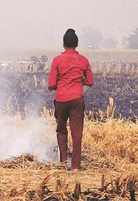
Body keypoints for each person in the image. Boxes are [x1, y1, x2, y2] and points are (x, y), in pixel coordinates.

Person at [48, 28, 94, 171]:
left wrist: (59, 86)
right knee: (77, 133)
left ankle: (63, 162)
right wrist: (80, 82)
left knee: (61, 129)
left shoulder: (57, 60)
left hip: (61, 99)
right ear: (76, 44)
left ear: (63, 44)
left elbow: (51, 84)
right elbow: (90, 81)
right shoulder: (83, 60)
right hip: (77, 100)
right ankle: (75, 166)